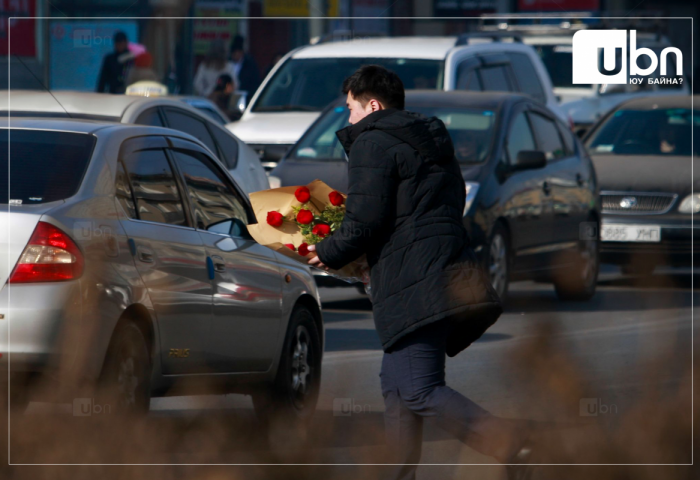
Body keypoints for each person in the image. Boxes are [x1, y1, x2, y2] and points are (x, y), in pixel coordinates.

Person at [306, 65, 535, 480]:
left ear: (372, 104)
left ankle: (508, 441)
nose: (349, 118)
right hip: (440, 270)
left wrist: (328, 251)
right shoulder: (428, 138)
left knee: (419, 389)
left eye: (350, 108)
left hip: (415, 280)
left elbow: (365, 220)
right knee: (397, 389)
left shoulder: (372, 142)